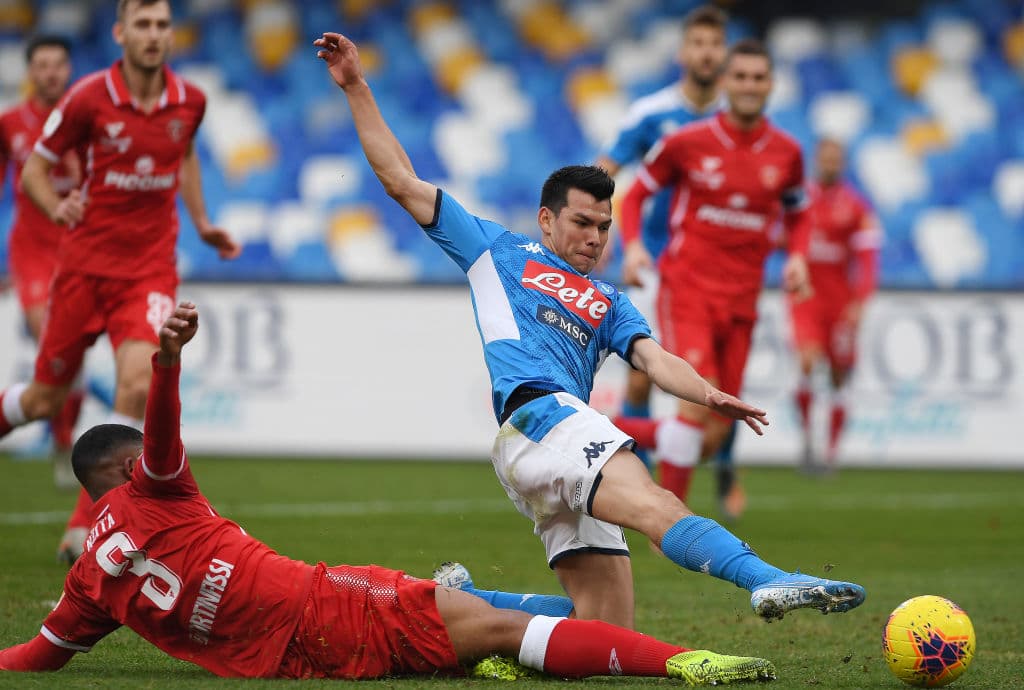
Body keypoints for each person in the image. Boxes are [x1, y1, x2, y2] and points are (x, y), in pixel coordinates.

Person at [316, 31, 864, 631]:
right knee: (657, 504)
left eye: (604, 227)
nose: (595, 238)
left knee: (604, 625)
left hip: (552, 440)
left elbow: (654, 359)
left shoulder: (610, 300)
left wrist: (705, 392)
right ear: (547, 219)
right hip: (542, 417)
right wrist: (356, 86)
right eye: (582, 223)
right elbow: (400, 179)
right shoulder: (496, 249)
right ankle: (769, 581)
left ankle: (445, 598)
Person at [0, 302, 777, 685]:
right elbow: (163, 428)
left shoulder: (89, 583)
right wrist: (167, 360)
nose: (156, 464)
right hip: (321, 604)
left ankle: (475, 640)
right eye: (140, 461)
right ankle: (682, 662)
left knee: (476, 628)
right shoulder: (156, 488)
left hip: (288, 659)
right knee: (502, 629)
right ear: (123, 471)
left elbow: (39, 656)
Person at [0, 0, 240, 561]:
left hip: (149, 270)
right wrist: (56, 207)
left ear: (170, 35)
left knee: (136, 382)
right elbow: (35, 168)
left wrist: (203, 223)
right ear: (121, 33)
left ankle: (87, 523)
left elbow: (185, 155)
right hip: (83, 269)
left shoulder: (191, 100)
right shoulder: (89, 97)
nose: (153, 35)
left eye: (162, 25)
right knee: (42, 399)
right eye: (143, 25)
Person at [614, 38, 814, 507]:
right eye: (740, 76)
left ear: (770, 84)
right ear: (725, 81)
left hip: (743, 300)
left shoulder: (786, 153)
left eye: (758, 77)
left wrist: (799, 256)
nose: (748, 85)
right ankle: (670, 524)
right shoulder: (686, 142)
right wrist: (636, 246)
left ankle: (597, 425)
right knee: (694, 402)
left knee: (712, 433)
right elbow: (638, 193)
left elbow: (799, 212)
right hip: (688, 290)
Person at [595, 6, 744, 520]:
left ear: (723, 54)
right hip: (658, 265)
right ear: (683, 53)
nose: (706, 52)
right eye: (698, 43)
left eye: (714, 44)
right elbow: (605, 170)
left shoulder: (736, 118)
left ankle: (716, 469)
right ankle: (633, 479)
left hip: (719, 273)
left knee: (715, 400)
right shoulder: (651, 114)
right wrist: (604, 226)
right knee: (643, 373)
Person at [0, 34, 101, 563]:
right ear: (31, 71)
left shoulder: (87, 117)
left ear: (68, 68)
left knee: (68, 363)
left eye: (59, 64)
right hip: (34, 254)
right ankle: (62, 442)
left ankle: (63, 442)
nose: (51, 73)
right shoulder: (10, 123)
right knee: (50, 343)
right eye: (41, 65)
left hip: (78, 250)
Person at [790, 139, 881, 472]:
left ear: (842, 163)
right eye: (825, 158)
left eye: (835, 159)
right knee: (808, 361)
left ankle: (830, 453)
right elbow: (778, 238)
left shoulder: (857, 207)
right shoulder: (800, 200)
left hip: (840, 304)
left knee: (839, 376)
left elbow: (868, 259)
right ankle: (807, 442)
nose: (830, 164)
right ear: (817, 160)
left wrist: (860, 300)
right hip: (806, 299)